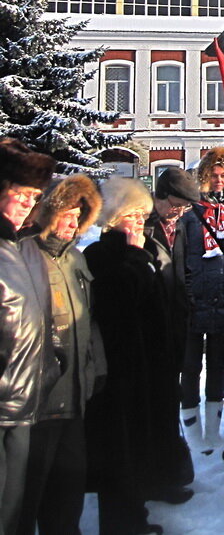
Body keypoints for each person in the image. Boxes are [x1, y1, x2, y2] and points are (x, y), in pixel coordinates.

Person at [84, 177, 178, 535]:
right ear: (113, 217)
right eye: (132, 215)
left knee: (139, 444)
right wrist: (139, 259)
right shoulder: (100, 254)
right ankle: (120, 524)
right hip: (120, 368)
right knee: (119, 451)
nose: (140, 222)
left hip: (146, 363)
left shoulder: (143, 249)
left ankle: (136, 515)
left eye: (142, 215)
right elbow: (120, 300)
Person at [17, 173, 104, 535]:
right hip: (37, 404)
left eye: (77, 216)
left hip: (74, 397)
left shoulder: (75, 259)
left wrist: (97, 368)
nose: (71, 223)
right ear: (47, 213)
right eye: (66, 214)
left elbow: (89, 318)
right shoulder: (23, 256)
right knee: (26, 496)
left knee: (68, 493)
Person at [0, 139, 60, 535]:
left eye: (34, 196)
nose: (28, 202)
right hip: (4, 404)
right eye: (20, 192)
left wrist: (52, 362)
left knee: (14, 510)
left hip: (23, 404)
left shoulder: (21, 246)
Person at [181, 148, 224, 448]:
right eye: (214, 175)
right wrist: (185, 291)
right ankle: (192, 432)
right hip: (195, 296)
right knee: (191, 365)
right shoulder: (190, 212)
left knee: (218, 364)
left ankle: (213, 429)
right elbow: (182, 255)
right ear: (203, 177)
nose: (219, 181)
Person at [142, 166, 200, 504]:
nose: (180, 212)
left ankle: (166, 474)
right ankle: (154, 478)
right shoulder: (144, 227)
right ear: (160, 197)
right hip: (151, 333)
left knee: (167, 404)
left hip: (175, 328)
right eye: (177, 205)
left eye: (185, 208)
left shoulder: (178, 225)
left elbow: (183, 273)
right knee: (153, 408)